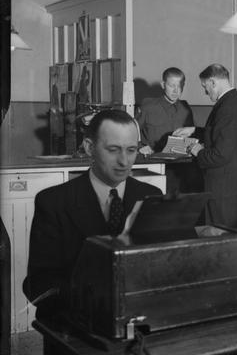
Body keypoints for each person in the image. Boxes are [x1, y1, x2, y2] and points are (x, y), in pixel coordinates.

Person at [23, 109, 162, 320]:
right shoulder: (53, 202)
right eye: (113, 150)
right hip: (75, 326)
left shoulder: (151, 196)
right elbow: (38, 286)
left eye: (132, 150)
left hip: (137, 321)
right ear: (89, 148)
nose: (124, 161)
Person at [174, 63, 237, 232]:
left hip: (225, 189)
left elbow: (220, 154)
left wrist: (197, 150)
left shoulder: (227, 107)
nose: (205, 92)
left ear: (212, 82)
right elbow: (224, 134)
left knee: (224, 239)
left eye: (205, 87)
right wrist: (195, 131)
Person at [136, 67, 194, 155]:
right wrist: (140, 147)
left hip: (181, 161)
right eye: (171, 86)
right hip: (154, 161)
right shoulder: (148, 106)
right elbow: (130, 132)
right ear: (163, 85)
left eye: (179, 86)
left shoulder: (185, 108)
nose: (176, 90)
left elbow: (192, 136)